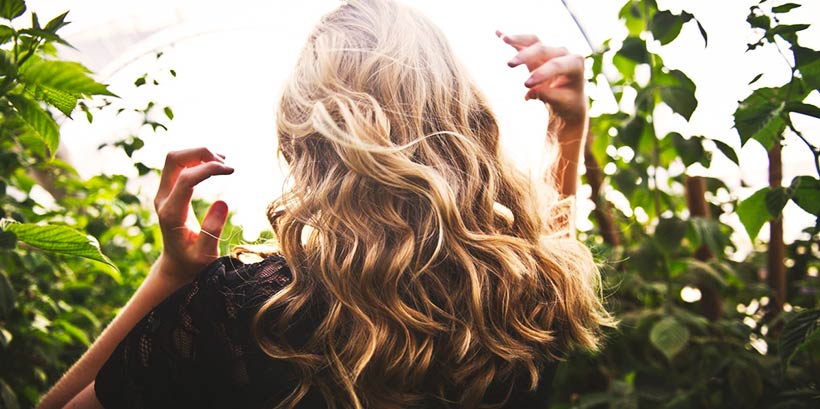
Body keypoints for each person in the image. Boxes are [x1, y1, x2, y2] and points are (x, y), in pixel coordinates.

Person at [39, 0, 612, 407]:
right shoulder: (524, 294)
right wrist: (568, 128)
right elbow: (549, 247)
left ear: (308, 138)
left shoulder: (251, 314)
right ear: (460, 116)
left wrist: (170, 275)